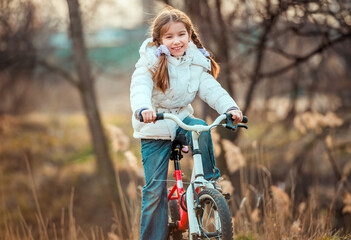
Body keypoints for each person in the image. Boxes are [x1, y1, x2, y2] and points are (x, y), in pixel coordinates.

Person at [130, 7, 243, 240]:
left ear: (189, 35)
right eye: (169, 36)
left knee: (201, 127)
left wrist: (230, 108)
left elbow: (212, 90)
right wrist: (143, 109)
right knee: (154, 192)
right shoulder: (149, 63)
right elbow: (139, 87)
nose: (176, 41)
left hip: (180, 119)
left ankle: (208, 182)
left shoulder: (196, 61)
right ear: (159, 40)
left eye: (181, 34)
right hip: (155, 127)